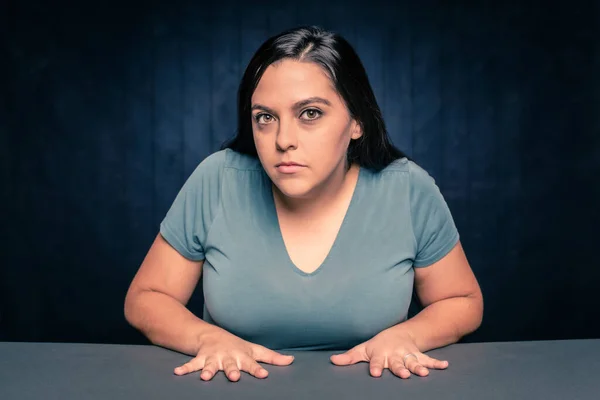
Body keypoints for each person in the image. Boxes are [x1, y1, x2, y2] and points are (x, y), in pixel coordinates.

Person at [124, 25, 483, 383]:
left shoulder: (408, 189)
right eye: (265, 117)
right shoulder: (218, 179)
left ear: (357, 121)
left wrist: (407, 336)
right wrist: (207, 338)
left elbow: (462, 300)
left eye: (310, 113)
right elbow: (146, 298)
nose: (283, 140)